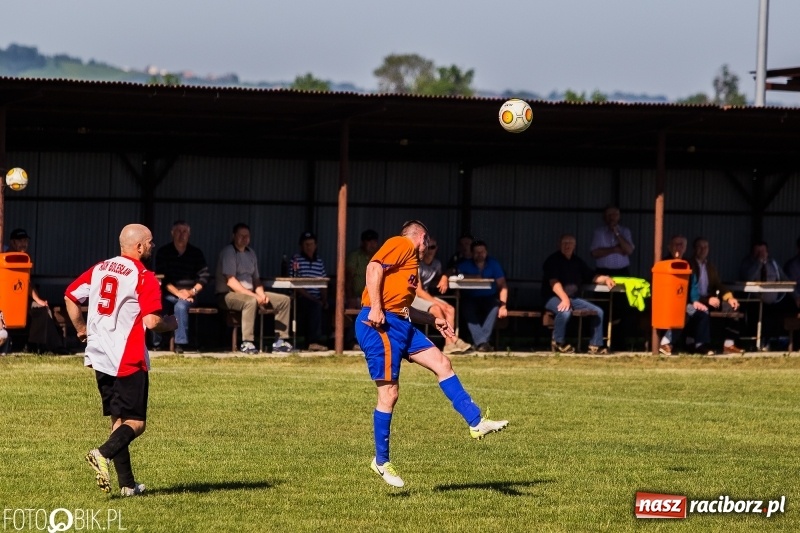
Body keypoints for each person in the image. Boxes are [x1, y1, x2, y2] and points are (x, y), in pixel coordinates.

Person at [356, 220, 508, 488]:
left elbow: (403, 307)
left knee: (442, 362)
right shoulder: (402, 243)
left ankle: (476, 422)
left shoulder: (410, 265)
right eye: (428, 242)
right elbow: (373, 267)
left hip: (400, 323)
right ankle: (381, 461)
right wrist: (376, 308)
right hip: (379, 324)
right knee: (389, 394)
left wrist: (431, 319)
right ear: (421, 237)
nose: (428, 247)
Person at [64, 224, 178, 497]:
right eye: (149, 242)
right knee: (136, 422)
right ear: (139, 247)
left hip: (100, 355)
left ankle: (127, 485)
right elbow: (152, 322)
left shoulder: (100, 268)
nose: (152, 246)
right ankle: (102, 453)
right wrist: (171, 323)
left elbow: (70, 296)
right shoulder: (144, 276)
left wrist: (81, 329)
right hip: (127, 357)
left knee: (119, 420)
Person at [215, 223, 292, 354]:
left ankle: (280, 341)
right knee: (250, 301)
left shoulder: (251, 253)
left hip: (250, 292)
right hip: (227, 294)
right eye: (241, 235)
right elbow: (231, 281)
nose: (244, 238)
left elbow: (256, 279)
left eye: (247, 236)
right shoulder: (229, 252)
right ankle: (247, 342)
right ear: (234, 236)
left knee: (284, 300)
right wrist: (255, 296)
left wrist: (261, 294)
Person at [542, 234, 613, 354]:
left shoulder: (577, 261)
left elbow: (592, 276)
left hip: (572, 298)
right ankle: (558, 343)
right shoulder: (552, 260)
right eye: (565, 243)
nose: (567, 246)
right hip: (553, 297)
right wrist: (564, 299)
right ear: (559, 245)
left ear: (574, 246)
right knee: (564, 311)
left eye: (570, 243)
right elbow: (554, 283)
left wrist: (606, 279)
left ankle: (595, 346)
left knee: (598, 312)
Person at [154, 220, 210, 354]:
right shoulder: (163, 252)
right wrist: (178, 293)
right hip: (168, 293)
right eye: (178, 231)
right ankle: (157, 342)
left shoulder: (196, 253)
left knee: (181, 306)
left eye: (184, 231)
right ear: (172, 233)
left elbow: (204, 277)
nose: (181, 234)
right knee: (158, 305)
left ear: (189, 234)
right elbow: (162, 278)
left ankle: (180, 344)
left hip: (190, 295)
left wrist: (191, 292)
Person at [410, 235, 472, 355]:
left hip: (426, 295)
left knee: (450, 309)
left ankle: (449, 344)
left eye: (432, 247)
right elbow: (419, 291)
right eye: (427, 247)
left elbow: (438, 279)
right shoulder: (417, 264)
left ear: (436, 248)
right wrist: (438, 303)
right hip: (413, 297)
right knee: (437, 308)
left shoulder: (436, 264)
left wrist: (444, 277)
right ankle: (453, 339)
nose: (429, 250)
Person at [6, 228, 65, 353]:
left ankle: (39, 345)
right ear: (12, 242)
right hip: (7, 299)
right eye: (20, 241)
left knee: (43, 309)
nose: (23, 244)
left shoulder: (26, 258)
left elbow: (27, 283)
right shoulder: (4, 256)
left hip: (23, 298)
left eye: (25, 241)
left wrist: (39, 300)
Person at [657, 235, 714, 356]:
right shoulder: (663, 262)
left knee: (702, 311)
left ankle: (700, 345)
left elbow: (693, 284)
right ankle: (666, 343)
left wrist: (695, 300)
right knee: (681, 313)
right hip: (666, 303)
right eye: (676, 244)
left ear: (685, 248)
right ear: (669, 247)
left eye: (681, 245)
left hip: (684, 303)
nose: (679, 247)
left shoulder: (688, 264)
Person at [688, 237, 745, 354]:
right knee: (701, 312)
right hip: (694, 300)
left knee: (732, 307)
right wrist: (705, 300)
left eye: (705, 247)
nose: (703, 249)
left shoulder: (710, 266)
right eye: (700, 247)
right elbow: (690, 290)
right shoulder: (689, 265)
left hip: (709, 299)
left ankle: (729, 345)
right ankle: (699, 345)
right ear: (694, 249)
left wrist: (730, 298)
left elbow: (718, 285)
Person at [456, 240, 508, 352]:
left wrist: (503, 306)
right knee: (466, 308)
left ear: (486, 252)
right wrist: (473, 277)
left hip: (489, 297)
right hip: (470, 297)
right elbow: (457, 275)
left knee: (495, 307)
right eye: (477, 252)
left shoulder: (494, 264)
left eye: (482, 252)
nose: (480, 254)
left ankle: (480, 343)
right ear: (471, 253)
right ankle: (483, 343)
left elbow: (502, 285)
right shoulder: (464, 264)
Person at [739, 241, 791, 350]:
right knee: (758, 316)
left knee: (781, 313)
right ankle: (756, 343)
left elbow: (785, 279)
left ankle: (776, 341)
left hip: (773, 301)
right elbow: (748, 277)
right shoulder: (747, 263)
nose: (760, 254)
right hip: (754, 301)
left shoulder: (773, 264)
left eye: (762, 251)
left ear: (767, 252)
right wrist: (759, 263)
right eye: (757, 251)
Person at [289, 231, 328, 351]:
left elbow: (324, 283)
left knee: (335, 305)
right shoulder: (296, 260)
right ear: (301, 246)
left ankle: (335, 339)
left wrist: (324, 300)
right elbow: (295, 284)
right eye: (306, 244)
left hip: (317, 297)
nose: (309, 247)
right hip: (302, 297)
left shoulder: (319, 261)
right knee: (314, 306)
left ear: (316, 245)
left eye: (311, 244)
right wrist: (314, 299)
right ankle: (313, 342)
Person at [589, 205, 635, 276]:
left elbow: (629, 251)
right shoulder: (599, 232)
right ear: (604, 217)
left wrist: (617, 233)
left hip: (622, 271)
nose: (612, 217)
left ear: (619, 216)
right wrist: (615, 249)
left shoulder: (625, 231)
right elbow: (594, 253)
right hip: (603, 271)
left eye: (615, 214)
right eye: (609, 215)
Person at [345, 229, 379, 309]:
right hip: (356, 298)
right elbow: (348, 278)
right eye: (369, 241)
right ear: (363, 243)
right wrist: (350, 298)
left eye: (374, 241)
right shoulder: (355, 256)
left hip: (375, 298)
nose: (372, 244)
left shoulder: (379, 256)